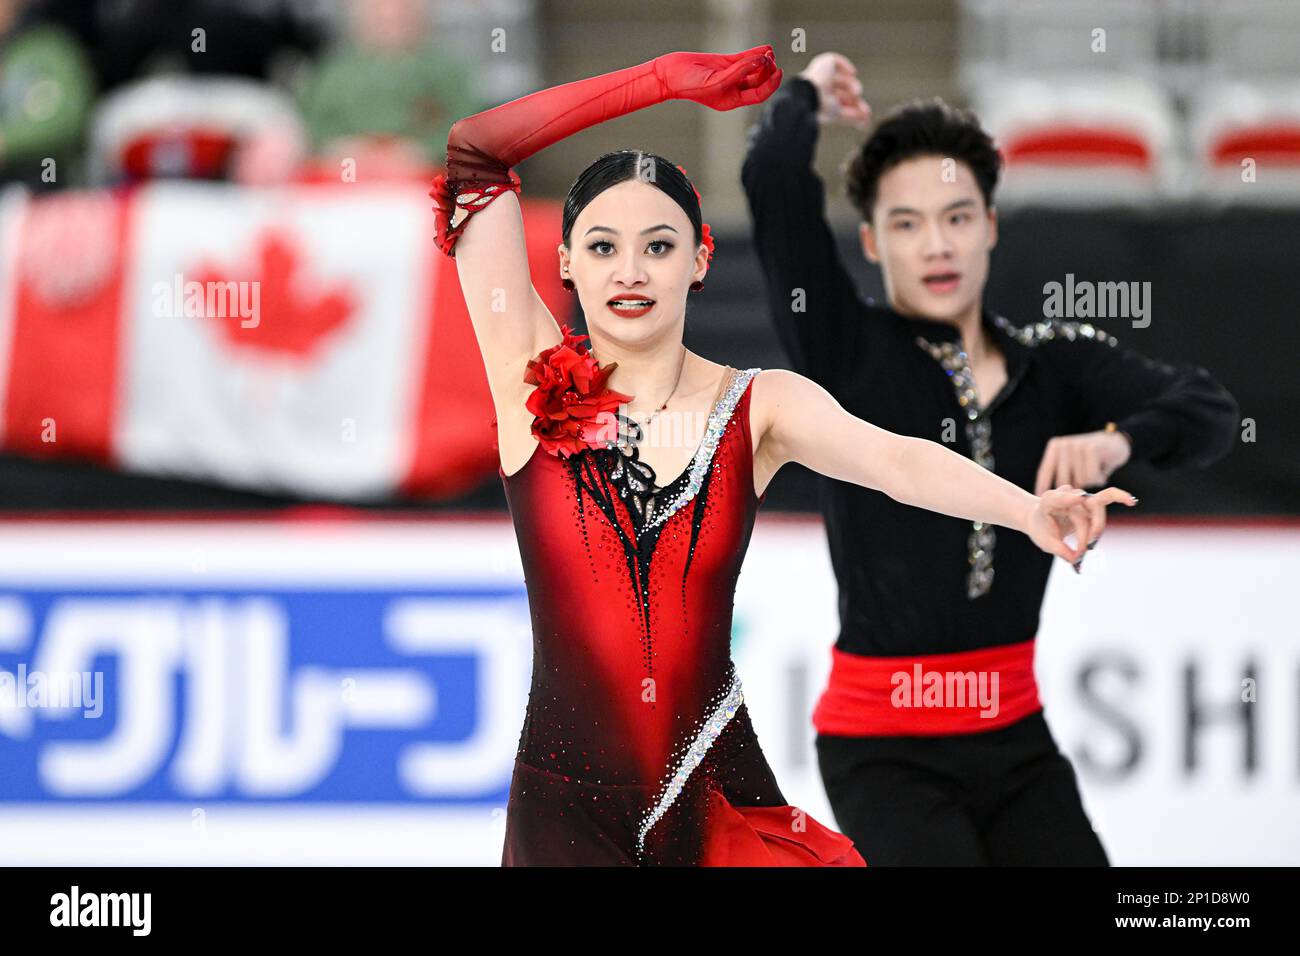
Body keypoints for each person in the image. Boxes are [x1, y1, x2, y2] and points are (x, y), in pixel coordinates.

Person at [431, 45, 1135, 867]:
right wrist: (661, 83)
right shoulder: (527, 375)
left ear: (698, 261)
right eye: (601, 247)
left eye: (659, 246)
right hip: (564, 817)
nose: (630, 271)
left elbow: (898, 461)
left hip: (715, 796)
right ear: (563, 260)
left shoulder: (760, 404)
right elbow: (476, 149)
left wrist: (1026, 509)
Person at [740, 52, 1240, 865]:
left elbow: (1208, 412)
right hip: (883, 750)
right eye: (907, 223)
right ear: (871, 241)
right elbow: (771, 179)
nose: (936, 244)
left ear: (992, 225)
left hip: (1014, 741)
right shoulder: (846, 348)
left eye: (957, 216)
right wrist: (803, 96)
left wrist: (1119, 440)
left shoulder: (1057, 361)